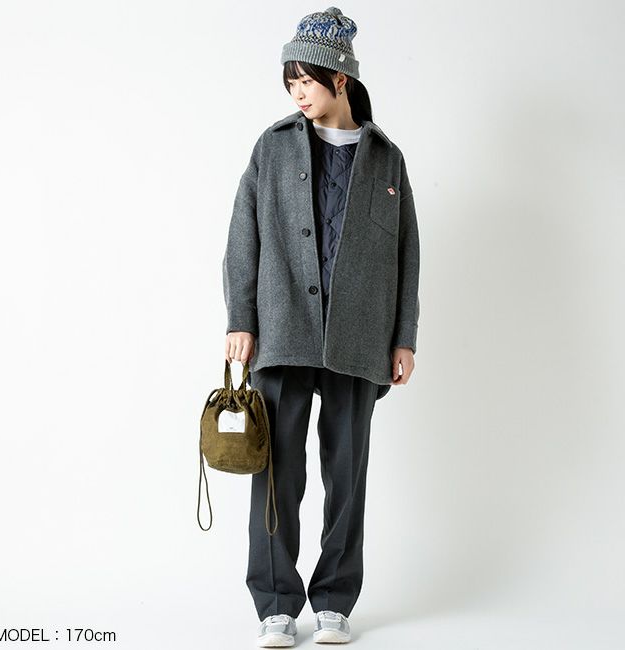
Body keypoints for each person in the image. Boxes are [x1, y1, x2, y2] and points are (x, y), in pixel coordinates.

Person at [221, 7, 420, 647]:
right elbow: (243, 236)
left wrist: (404, 336)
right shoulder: (273, 146)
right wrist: (241, 319)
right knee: (276, 471)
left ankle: (334, 598)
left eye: (305, 80)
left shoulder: (386, 159)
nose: (297, 94)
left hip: (360, 337)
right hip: (283, 330)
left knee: (347, 472)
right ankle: (276, 603)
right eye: (290, 84)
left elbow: (407, 253)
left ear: (340, 78)